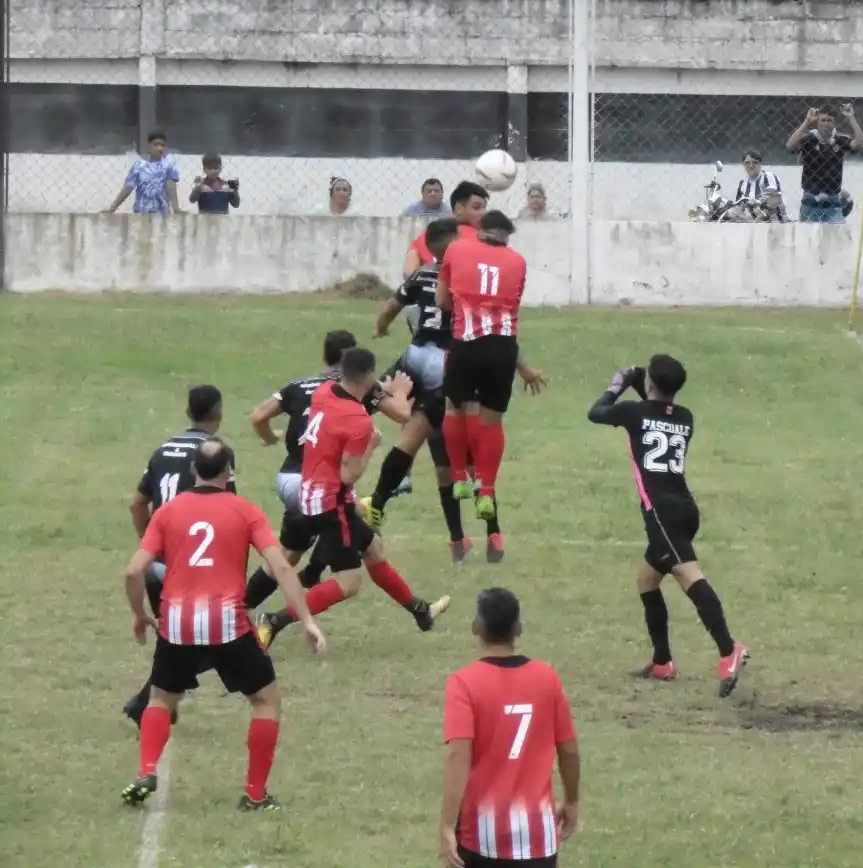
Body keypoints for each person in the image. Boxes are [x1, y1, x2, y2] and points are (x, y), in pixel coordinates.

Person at [120, 439, 325, 811]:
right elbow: (281, 567)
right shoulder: (245, 510)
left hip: (178, 622)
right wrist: (307, 620)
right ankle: (255, 794)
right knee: (265, 701)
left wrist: (139, 614)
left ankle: (147, 770)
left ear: (193, 470)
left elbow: (134, 570)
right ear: (229, 472)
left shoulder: (167, 512)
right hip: (227, 622)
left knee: (161, 699)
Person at [255, 347, 450, 647]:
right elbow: (349, 475)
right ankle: (273, 621)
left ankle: (420, 611)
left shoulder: (324, 392)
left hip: (309, 491)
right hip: (331, 503)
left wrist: (389, 391)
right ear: (369, 377)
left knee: (373, 549)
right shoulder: (358, 421)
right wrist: (372, 443)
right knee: (349, 582)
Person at [587, 355, 749, 697]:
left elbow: (596, 412)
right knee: (647, 580)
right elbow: (656, 408)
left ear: (649, 384)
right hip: (686, 510)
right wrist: (642, 381)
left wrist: (618, 383)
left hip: (661, 514)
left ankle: (728, 649)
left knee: (689, 575)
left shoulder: (633, 413)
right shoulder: (685, 418)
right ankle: (662, 662)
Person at [366, 219, 506, 564]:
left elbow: (390, 309)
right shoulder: (468, 275)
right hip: (448, 363)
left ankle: (380, 501)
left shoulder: (422, 273)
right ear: (453, 241)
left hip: (414, 357)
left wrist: (381, 328)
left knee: (410, 429)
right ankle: (492, 534)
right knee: (468, 459)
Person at [245, 331, 413, 610]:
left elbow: (258, 415)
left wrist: (270, 438)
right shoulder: (353, 391)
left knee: (295, 550)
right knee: (342, 528)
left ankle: (244, 606)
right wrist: (399, 391)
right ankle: (297, 595)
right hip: (320, 482)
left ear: (324, 356)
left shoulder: (301, 386)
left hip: (289, 478)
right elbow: (402, 413)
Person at [122, 385, 237, 727]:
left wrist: (151, 544)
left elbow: (137, 503)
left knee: (175, 640)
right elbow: (227, 509)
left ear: (188, 412)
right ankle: (147, 701)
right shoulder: (216, 453)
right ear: (219, 413)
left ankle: (159, 704)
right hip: (191, 566)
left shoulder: (163, 449)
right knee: (209, 644)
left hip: (156, 565)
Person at [439, 588, 580, 867]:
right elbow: (569, 750)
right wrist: (572, 800)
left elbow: (458, 756)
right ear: (518, 629)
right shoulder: (547, 678)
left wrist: (446, 824)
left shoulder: (464, 683)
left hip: (481, 837)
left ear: (475, 627)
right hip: (538, 837)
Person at [437, 210, 547, 523]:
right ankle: (486, 491)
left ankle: (459, 477)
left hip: (465, 343)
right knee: (491, 420)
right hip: (502, 348)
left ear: (480, 229)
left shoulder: (456, 249)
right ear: (506, 235)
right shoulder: (518, 262)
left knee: (454, 408)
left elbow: (442, 301)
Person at [785, 104, 863, 223]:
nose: (826, 123)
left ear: (834, 123)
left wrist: (851, 118)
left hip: (833, 202)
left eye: (829, 120)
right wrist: (807, 121)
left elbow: (861, 144)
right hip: (810, 202)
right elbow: (789, 145)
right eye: (822, 120)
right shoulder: (809, 139)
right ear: (817, 122)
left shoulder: (840, 139)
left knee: (838, 233)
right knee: (807, 234)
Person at [402, 181, 487, 280]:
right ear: (459, 209)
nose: (483, 213)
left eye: (484, 208)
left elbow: (408, 273)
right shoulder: (485, 240)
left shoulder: (429, 236)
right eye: (477, 207)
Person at [105, 130, 182, 215]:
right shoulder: (139, 166)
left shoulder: (169, 165)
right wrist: (112, 209)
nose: (159, 148)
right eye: (156, 145)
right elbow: (128, 188)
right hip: (141, 213)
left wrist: (176, 208)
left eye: (162, 145)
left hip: (162, 214)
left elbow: (171, 186)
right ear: (149, 146)